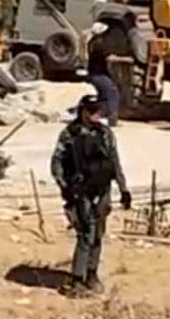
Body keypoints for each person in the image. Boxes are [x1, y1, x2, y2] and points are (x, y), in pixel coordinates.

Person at [50, 96, 132, 297]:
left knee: (97, 235)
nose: (97, 114)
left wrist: (123, 189)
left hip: (102, 190)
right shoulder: (70, 134)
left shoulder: (105, 133)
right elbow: (56, 163)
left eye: (98, 110)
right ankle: (78, 279)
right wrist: (66, 188)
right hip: (81, 192)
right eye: (92, 110)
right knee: (86, 233)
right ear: (83, 111)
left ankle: (91, 274)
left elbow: (114, 162)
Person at [85, 23, 119, 127]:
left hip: (94, 74)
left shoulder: (92, 43)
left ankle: (105, 117)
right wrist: (127, 59)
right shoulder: (100, 44)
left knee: (103, 96)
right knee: (112, 94)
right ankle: (97, 116)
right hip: (99, 75)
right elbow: (109, 58)